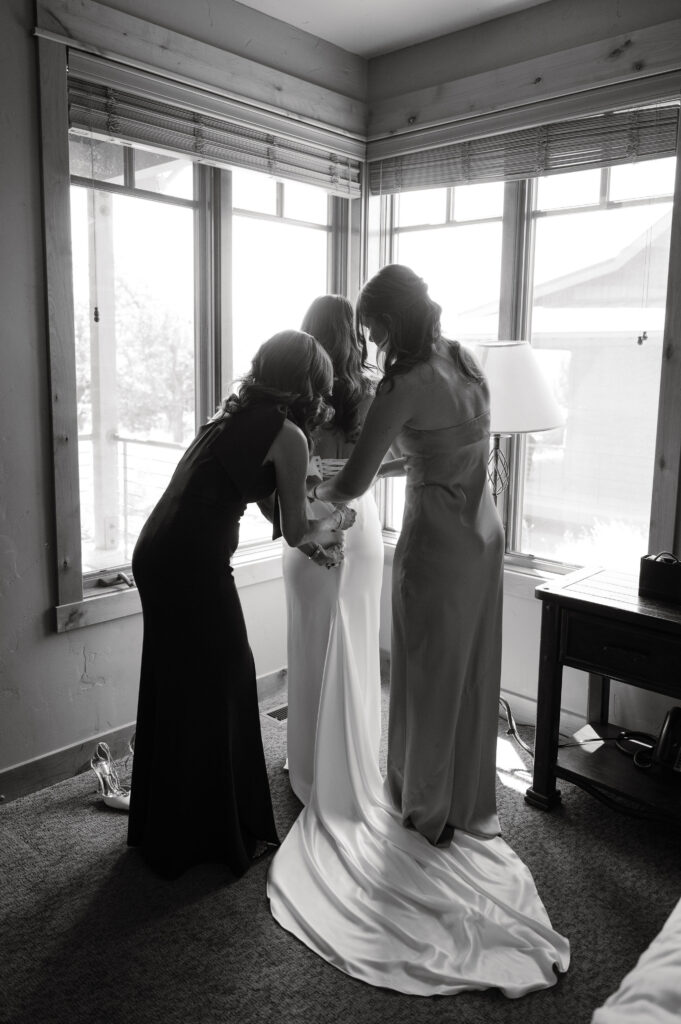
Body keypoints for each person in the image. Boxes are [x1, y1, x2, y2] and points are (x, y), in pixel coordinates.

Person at [267, 267, 570, 996]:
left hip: (435, 542)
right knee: (466, 671)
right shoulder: (463, 359)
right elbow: (437, 448)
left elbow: (354, 483)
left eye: (373, 327)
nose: (368, 340)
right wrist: (379, 459)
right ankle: (463, 800)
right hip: (482, 532)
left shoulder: (401, 385)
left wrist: (308, 488)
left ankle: (425, 811)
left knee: (426, 675)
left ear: (391, 321)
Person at [127, 330, 354, 879]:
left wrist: (305, 523)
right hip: (191, 562)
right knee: (228, 677)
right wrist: (330, 527)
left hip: (156, 551)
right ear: (308, 383)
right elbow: (295, 525)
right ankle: (216, 833)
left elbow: (251, 497)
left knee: (177, 679)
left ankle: (170, 825)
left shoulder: (229, 417)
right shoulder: (289, 433)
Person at [282, 295, 382, 805]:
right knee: (351, 638)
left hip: (304, 512)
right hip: (355, 517)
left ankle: (310, 756)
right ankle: (341, 755)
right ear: (354, 333)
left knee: (311, 638)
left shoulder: (293, 396)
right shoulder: (370, 391)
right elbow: (388, 462)